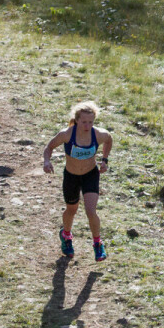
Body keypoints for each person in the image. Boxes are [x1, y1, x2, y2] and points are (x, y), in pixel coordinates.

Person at [42, 101, 113, 262]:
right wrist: (47, 161)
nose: (87, 125)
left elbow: (109, 140)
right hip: (71, 176)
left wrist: (105, 160)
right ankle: (66, 236)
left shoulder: (98, 134)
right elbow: (49, 147)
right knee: (71, 210)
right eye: (84, 122)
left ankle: (97, 243)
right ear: (77, 120)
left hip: (90, 175)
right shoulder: (67, 134)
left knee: (91, 211)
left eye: (91, 122)